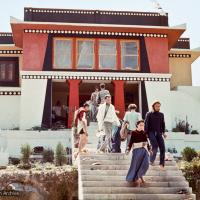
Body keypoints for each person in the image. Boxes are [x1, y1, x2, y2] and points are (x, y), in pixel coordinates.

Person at [126, 120, 150, 186]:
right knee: (136, 165)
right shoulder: (133, 132)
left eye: (143, 125)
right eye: (141, 125)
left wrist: (149, 149)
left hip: (144, 150)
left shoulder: (144, 133)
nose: (142, 126)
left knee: (146, 164)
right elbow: (131, 142)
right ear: (137, 125)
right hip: (136, 151)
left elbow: (146, 141)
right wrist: (128, 149)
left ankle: (139, 177)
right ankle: (138, 178)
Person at [144, 101, 167, 170]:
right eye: (157, 106)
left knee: (162, 148)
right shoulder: (149, 114)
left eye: (159, 106)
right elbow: (146, 124)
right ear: (153, 106)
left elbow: (163, 124)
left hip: (159, 133)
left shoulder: (161, 114)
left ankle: (162, 164)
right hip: (151, 132)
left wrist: (163, 133)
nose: (158, 107)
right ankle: (151, 160)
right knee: (155, 145)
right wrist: (146, 133)